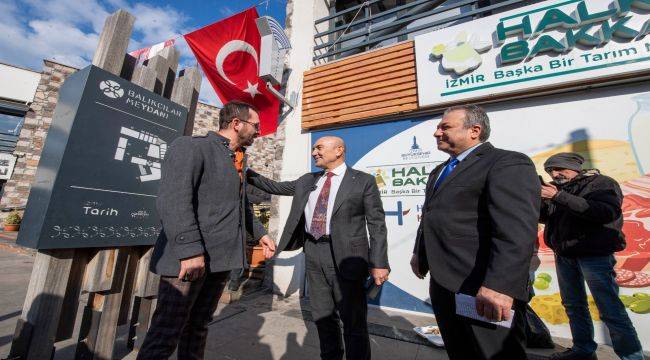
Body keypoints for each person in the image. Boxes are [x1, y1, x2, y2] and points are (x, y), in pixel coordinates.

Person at [138, 101, 276, 359]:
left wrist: (261, 234)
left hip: (219, 262)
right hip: (188, 261)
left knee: (198, 328)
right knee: (167, 332)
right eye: (256, 126)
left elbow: (239, 206)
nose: (259, 131)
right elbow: (174, 200)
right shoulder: (191, 147)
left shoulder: (237, 160)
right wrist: (190, 251)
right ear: (237, 124)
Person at [410, 104, 540, 359]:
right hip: (446, 284)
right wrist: (419, 253)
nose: (437, 133)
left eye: (445, 127)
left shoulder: (506, 163)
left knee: (493, 353)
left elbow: (516, 230)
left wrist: (500, 286)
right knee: (461, 351)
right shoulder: (440, 170)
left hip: (484, 289)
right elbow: (430, 216)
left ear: (474, 130)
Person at [246, 136, 389, 360]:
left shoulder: (363, 181)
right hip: (313, 252)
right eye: (314, 148)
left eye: (319, 148)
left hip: (348, 257)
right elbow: (274, 186)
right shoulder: (307, 180)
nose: (314, 152)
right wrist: (243, 171)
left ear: (339, 150)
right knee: (323, 317)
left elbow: (377, 225)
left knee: (353, 321)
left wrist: (379, 263)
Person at [540, 152, 643, 360]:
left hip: (594, 256)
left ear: (575, 168)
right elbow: (547, 218)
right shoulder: (557, 189)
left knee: (609, 309)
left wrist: (558, 197)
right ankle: (583, 350)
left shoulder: (602, 183)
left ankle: (632, 356)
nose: (555, 173)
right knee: (573, 305)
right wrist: (538, 200)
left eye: (560, 169)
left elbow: (604, 212)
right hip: (565, 254)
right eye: (551, 170)